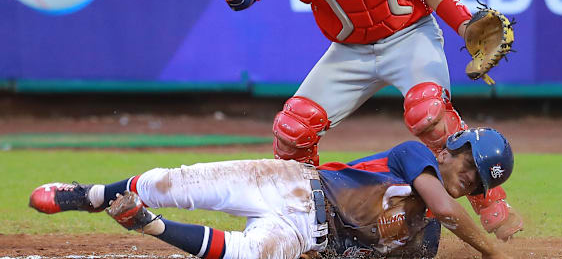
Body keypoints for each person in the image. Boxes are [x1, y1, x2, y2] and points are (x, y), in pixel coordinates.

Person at [188, 0, 522, 240]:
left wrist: (464, 23)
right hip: (350, 51)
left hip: (408, 35)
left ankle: (491, 200)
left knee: (428, 114)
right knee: (292, 132)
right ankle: (304, 217)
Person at [29, 128, 515, 259]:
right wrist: (492, 249)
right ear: (451, 149)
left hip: (305, 233)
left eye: (480, 180)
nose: (469, 176)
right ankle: (90, 195)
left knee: (248, 256)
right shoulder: (415, 155)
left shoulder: (425, 244)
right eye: (469, 162)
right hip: (292, 183)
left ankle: (148, 224)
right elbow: (443, 206)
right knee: (172, 182)